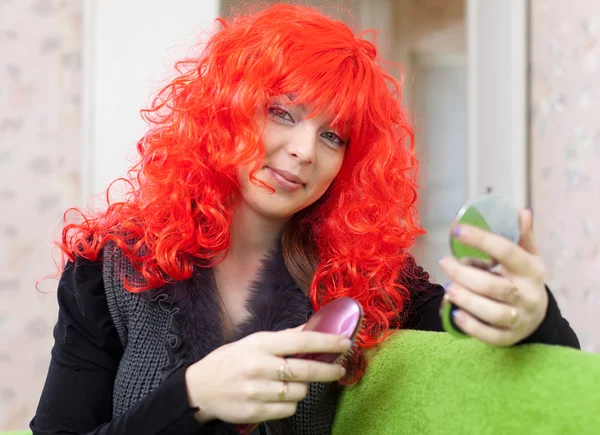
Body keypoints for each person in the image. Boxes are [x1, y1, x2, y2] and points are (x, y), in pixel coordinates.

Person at [30, 3, 579, 435]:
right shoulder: (108, 269)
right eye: (282, 112)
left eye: (332, 135)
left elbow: (554, 371)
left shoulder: (367, 281)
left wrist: (530, 313)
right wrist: (193, 396)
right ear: (225, 109)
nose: (303, 151)